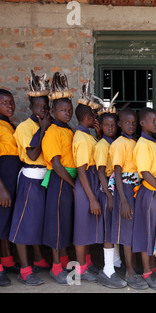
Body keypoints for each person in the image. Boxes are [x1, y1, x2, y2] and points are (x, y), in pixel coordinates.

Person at [9, 71, 52, 286]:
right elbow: (33, 155)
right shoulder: (26, 127)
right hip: (31, 178)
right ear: (31, 108)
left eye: (45, 107)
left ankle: (38, 259)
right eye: (39, 107)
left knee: (38, 222)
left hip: (45, 178)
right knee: (24, 224)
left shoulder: (47, 124)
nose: (43, 111)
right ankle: (25, 270)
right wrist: (43, 130)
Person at [41, 72, 77, 284]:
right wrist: (73, 184)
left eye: (69, 110)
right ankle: (56, 267)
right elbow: (56, 164)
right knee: (56, 224)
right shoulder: (52, 132)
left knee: (65, 223)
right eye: (63, 110)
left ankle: (64, 262)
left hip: (68, 180)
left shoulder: (68, 130)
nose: (67, 113)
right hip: (59, 180)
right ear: (53, 111)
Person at [109, 106, 147, 290]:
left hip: (135, 187)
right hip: (124, 188)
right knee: (126, 231)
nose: (131, 126)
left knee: (134, 229)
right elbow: (117, 173)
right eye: (127, 123)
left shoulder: (135, 141)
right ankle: (130, 270)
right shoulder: (119, 144)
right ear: (119, 124)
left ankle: (134, 266)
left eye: (133, 123)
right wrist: (123, 201)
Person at [72, 85, 105, 282]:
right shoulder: (82, 139)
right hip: (86, 185)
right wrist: (92, 198)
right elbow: (82, 170)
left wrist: (99, 135)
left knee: (88, 226)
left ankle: (87, 263)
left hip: (91, 182)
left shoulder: (87, 136)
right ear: (86, 118)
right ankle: (80, 268)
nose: (95, 119)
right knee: (82, 227)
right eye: (93, 116)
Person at [93, 100, 127, 289]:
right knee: (108, 230)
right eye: (106, 125)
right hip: (108, 191)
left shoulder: (114, 142)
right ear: (101, 126)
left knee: (115, 228)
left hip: (114, 190)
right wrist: (109, 195)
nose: (111, 128)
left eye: (113, 125)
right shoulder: (101, 146)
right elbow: (100, 172)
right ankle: (107, 270)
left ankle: (116, 262)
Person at [132, 107, 156, 290]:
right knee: (147, 234)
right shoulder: (142, 145)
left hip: (155, 192)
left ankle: (153, 267)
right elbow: (145, 172)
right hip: (150, 193)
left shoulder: (154, 143)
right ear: (142, 123)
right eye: (153, 121)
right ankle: (146, 271)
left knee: (153, 233)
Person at [0, 89, 24, 286]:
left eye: (11, 102)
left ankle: (7, 261)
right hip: (2, 184)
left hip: (11, 180)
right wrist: (1, 188)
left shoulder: (9, 125)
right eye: (5, 103)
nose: (10, 106)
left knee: (5, 224)